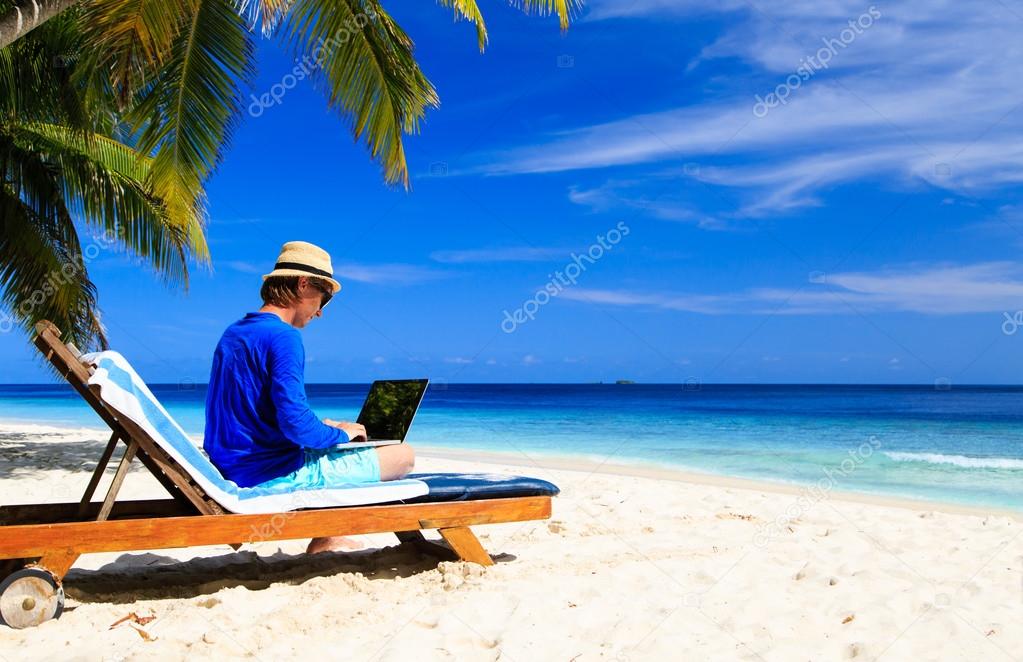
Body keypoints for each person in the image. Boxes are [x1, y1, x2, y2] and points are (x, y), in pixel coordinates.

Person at [204, 241, 415, 553]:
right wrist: (339, 433)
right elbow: (294, 426)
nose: (320, 312)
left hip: (233, 465)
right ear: (303, 284)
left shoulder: (234, 333)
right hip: (268, 474)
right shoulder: (284, 337)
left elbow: (256, 412)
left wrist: (325, 428)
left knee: (338, 443)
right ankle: (326, 539)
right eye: (324, 298)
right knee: (402, 455)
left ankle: (328, 536)